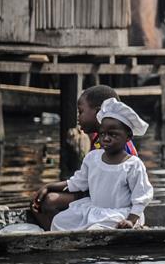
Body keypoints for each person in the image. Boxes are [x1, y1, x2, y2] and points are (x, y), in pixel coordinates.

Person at [29, 85, 137, 229]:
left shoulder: (117, 147)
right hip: (95, 196)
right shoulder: (98, 145)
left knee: (49, 201)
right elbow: (82, 180)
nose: (78, 118)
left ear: (98, 112)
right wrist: (49, 186)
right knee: (46, 199)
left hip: (113, 204)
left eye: (81, 112)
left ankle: (60, 238)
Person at [49, 99, 153, 231]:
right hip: (94, 210)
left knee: (95, 230)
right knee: (59, 221)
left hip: (120, 214)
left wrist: (131, 221)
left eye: (113, 134)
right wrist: (49, 186)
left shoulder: (133, 164)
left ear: (128, 137)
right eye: (102, 134)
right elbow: (78, 183)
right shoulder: (92, 158)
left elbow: (141, 197)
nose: (106, 138)